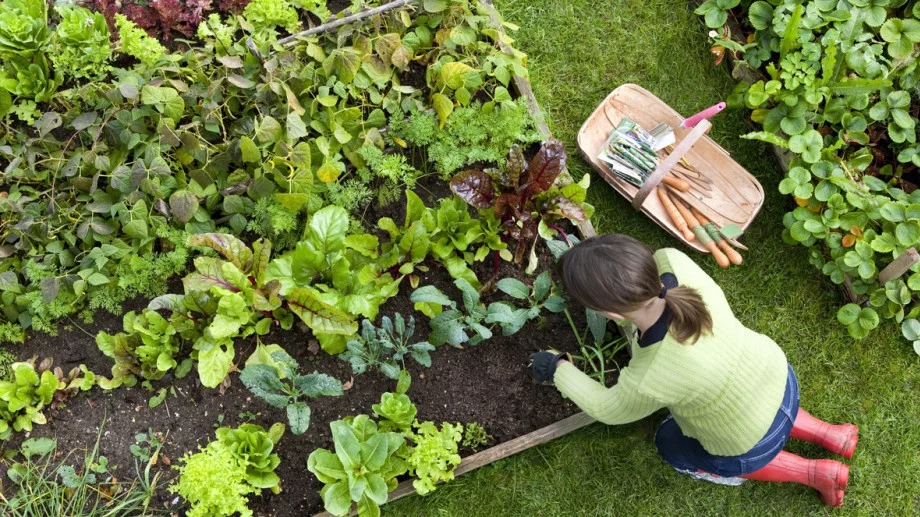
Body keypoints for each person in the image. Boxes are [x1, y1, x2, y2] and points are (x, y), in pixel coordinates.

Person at [529, 234, 859, 507]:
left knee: (669, 443)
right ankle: (832, 435)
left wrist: (557, 368)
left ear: (609, 313)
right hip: (777, 377)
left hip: (747, 440)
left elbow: (608, 408)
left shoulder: (651, 375)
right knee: (756, 404)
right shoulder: (673, 261)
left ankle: (815, 473)